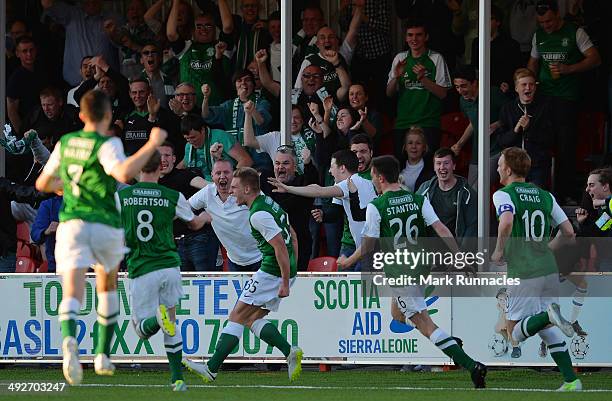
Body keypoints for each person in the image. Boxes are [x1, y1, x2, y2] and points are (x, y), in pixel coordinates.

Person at [35, 90, 168, 385]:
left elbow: (43, 182)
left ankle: (69, 341)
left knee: (72, 292)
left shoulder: (66, 143)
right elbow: (122, 172)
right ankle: (102, 354)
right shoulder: (107, 143)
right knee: (106, 286)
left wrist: (67, 186)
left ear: (81, 115)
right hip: (104, 224)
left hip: (71, 224)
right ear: (108, 116)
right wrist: (152, 144)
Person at [336, 155, 488, 389]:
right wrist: (459, 255)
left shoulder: (377, 206)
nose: (373, 180)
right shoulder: (419, 199)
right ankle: (448, 342)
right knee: (397, 315)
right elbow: (440, 228)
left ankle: (470, 364)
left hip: (400, 271)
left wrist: (348, 261)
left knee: (425, 324)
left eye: (374, 176)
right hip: (420, 265)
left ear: (380, 176)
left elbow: (367, 246)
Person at [183, 167, 303, 382]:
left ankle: (211, 368)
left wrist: (284, 281)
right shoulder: (269, 204)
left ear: (247, 189)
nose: (231, 192)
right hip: (282, 270)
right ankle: (289, 351)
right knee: (251, 319)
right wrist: (292, 269)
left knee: (237, 316)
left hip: (271, 271)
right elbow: (292, 235)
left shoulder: (258, 214)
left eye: (235, 188)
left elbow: (279, 248)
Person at [117, 150, 209, 391]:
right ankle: (177, 379)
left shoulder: (123, 196)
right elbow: (194, 223)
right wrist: (208, 216)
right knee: (172, 322)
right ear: (160, 169)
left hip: (141, 266)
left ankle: (157, 320)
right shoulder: (173, 195)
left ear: (138, 170)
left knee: (141, 330)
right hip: (169, 266)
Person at [491, 147, 581, 391]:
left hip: (523, 270)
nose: (497, 168)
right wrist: (547, 249)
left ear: (508, 169)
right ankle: (572, 381)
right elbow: (569, 232)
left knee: (515, 333)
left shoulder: (503, 194)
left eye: (500, 164)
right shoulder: (545, 196)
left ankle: (548, 316)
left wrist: (499, 250)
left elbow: (507, 221)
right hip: (548, 269)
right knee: (546, 331)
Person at [527, 0, 601, 203]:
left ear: (557, 15)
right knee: (540, 143)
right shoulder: (538, 35)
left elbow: (595, 58)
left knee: (565, 146)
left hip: (566, 98)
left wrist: (570, 69)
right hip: (544, 97)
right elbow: (533, 63)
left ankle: (565, 193)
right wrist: (529, 85)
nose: (546, 26)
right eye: (541, 22)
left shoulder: (575, 32)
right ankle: (540, 191)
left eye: (549, 21)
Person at [268, 150, 377, 258]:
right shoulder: (360, 183)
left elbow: (319, 192)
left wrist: (287, 188)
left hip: (373, 247)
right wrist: (324, 215)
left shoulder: (350, 183)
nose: (329, 171)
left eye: (332, 166)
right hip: (369, 245)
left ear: (342, 168)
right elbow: (318, 190)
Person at [387, 19, 452, 160]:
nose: (414, 39)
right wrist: (396, 77)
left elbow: (443, 94)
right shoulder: (400, 58)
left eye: (418, 35)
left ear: (426, 37)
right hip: (403, 122)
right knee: (400, 169)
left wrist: (424, 79)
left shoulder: (436, 58)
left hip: (428, 122)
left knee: (428, 169)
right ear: (405, 37)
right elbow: (389, 93)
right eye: (410, 35)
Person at [189, 159, 262, 271]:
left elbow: (269, 211)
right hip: (234, 261)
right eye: (218, 173)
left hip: (260, 257)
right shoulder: (207, 193)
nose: (222, 176)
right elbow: (183, 209)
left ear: (234, 174)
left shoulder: (247, 190)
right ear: (212, 176)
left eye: (226, 172)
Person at [260, 147, 319, 271]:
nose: (280, 167)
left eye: (286, 163)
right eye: (277, 163)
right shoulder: (267, 182)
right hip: (271, 246)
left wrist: (308, 163)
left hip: (299, 246)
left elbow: (313, 181)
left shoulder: (303, 182)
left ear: (295, 166)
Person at [450, 65, 507, 189]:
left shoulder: (493, 93)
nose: (460, 91)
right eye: (457, 87)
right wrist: (459, 143)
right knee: (469, 190)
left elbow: (512, 115)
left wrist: (496, 125)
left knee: (478, 190)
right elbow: (473, 123)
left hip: (496, 150)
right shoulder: (463, 101)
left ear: (474, 83)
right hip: (477, 153)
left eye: (463, 86)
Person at [167, 0, 232, 107]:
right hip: (191, 111)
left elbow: (228, 27)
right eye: (199, 26)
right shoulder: (186, 47)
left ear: (215, 28)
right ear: (193, 29)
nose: (204, 29)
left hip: (218, 110)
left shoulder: (222, 47)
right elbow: (171, 34)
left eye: (208, 25)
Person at [497, 68, 554, 189]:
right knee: (515, 202)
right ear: (516, 88)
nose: (528, 88)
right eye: (524, 85)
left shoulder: (545, 107)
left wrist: (529, 128)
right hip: (513, 167)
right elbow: (501, 141)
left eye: (531, 84)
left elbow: (550, 139)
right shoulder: (508, 108)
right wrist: (516, 130)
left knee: (536, 203)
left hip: (537, 165)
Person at [41, 0, 120, 86]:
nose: (91, 3)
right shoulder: (71, 14)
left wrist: (114, 34)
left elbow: (126, 45)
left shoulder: (114, 18)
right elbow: (47, 3)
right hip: (77, 85)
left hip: (108, 85)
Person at [417, 148, 477, 250]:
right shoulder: (424, 189)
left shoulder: (468, 194)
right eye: (438, 163)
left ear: (454, 166)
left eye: (446, 163)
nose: (442, 167)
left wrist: (461, 255)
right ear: (434, 167)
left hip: (456, 252)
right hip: (429, 253)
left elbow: (472, 228)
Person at [178, 115, 252, 181]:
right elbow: (184, 164)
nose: (190, 141)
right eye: (187, 138)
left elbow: (246, 160)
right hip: (201, 186)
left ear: (203, 130)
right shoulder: (189, 146)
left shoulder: (220, 136)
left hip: (226, 182)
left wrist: (232, 181)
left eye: (193, 137)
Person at [30, 195, 62, 273]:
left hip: (89, 265)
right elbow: (35, 233)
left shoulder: (90, 203)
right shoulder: (49, 204)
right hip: (56, 266)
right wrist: (46, 231)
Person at [399, 127, 433, 193]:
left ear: (424, 147)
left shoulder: (431, 170)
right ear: (405, 147)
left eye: (418, 143)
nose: (414, 146)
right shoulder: (397, 167)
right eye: (410, 143)